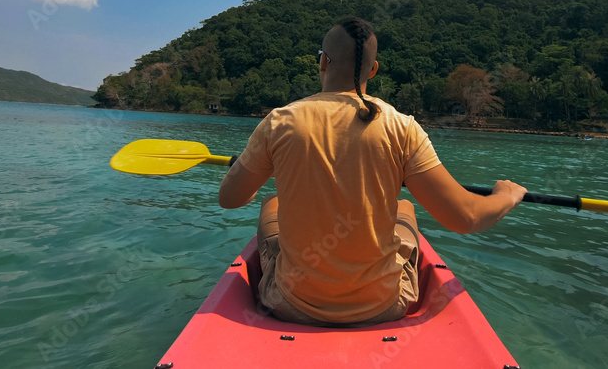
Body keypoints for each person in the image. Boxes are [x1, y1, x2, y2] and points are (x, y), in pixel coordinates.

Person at [218, 16, 526, 326]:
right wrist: (507, 196)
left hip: (292, 304)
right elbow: (467, 217)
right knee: (405, 206)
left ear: (322, 61)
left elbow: (230, 198)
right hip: (384, 306)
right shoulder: (401, 127)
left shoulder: (280, 121)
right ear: (374, 69)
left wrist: (263, 176)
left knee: (272, 201)